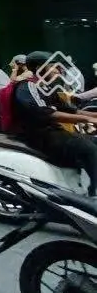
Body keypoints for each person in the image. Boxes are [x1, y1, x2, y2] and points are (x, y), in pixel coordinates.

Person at [10, 50, 97, 196]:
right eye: (52, 66)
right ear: (39, 68)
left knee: (94, 141)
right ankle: (93, 194)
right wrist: (87, 119)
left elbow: (70, 110)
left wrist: (93, 115)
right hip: (40, 135)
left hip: (53, 131)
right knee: (89, 148)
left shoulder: (47, 87)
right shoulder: (28, 87)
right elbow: (46, 113)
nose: (57, 70)